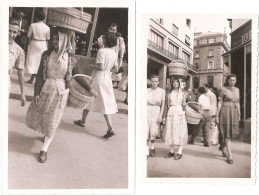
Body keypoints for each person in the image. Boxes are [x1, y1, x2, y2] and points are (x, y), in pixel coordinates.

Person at [26, 29, 77, 163]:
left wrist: (90, 89)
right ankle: (46, 135)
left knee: (53, 120)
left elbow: (78, 76)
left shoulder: (70, 57)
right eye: (53, 39)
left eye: (57, 39)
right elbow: (39, 76)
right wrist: (36, 93)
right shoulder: (46, 54)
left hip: (61, 93)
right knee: (43, 115)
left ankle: (44, 149)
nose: (55, 41)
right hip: (46, 88)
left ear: (64, 40)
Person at [73, 32, 119, 138]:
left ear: (106, 41)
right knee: (104, 101)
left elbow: (101, 67)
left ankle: (85, 121)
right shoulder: (114, 53)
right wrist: (108, 70)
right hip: (107, 77)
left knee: (90, 96)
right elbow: (116, 69)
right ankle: (107, 126)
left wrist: (91, 65)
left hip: (99, 77)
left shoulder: (101, 51)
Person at [216, 74, 240, 164]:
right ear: (228, 81)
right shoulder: (223, 89)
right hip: (225, 111)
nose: (233, 82)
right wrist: (217, 115)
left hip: (233, 112)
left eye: (234, 80)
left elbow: (237, 102)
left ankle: (223, 148)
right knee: (226, 134)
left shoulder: (237, 90)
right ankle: (230, 155)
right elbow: (220, 102)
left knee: (230, 133)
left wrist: (239, 112)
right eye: (231, 80)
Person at [163, 78, 187, 160]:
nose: (175, 83)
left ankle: (180, 151)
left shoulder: (183, 93)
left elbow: (188, 104)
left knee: (180, 131)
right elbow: (166, 105)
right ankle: (171, 151)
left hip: (179, 113)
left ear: (180, 83)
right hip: (171, 112)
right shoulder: (169, 93)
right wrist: (164, 116)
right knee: (171, 131)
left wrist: (198, 109)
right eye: (173, 82)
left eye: (177, 82)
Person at [97, 23, 125, 88]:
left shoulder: (118, 39)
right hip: (104, 57)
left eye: (114, 30)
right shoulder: (103, 37)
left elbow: (122, 50)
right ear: (108, 29)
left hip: (113, 57)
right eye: (111, 29)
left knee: (110, 76)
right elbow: (100, 43)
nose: (112, 31)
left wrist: (120, 60)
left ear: (116, 31)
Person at [25, 10, 50, 84]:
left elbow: (29, 36)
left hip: (34, 43)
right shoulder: (47, 28)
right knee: (39, 62)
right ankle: (34, 79)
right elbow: (48, 38)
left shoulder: (33, 25)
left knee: (33, 61)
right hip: (43, 44)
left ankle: (32, 79)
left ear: (36, 17)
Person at [146, 75, 165, 157]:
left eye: (156, 81)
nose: (154, 83)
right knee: (146, 130)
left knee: (153, 130)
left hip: (156, 110)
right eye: (153, 81)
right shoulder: (147, 90)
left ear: (158, 82)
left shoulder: (162, 91)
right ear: (150, 81)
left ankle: (152, 147)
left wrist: (160, 115)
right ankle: (146, 149)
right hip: (147, 109)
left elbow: (163, 104)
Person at [9, 17, 26, 106]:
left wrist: (22, 93)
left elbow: (21, 72)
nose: (11, 34)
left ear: (18, 33)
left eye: (14, 32)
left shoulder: (19, 51)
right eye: (9, 30)